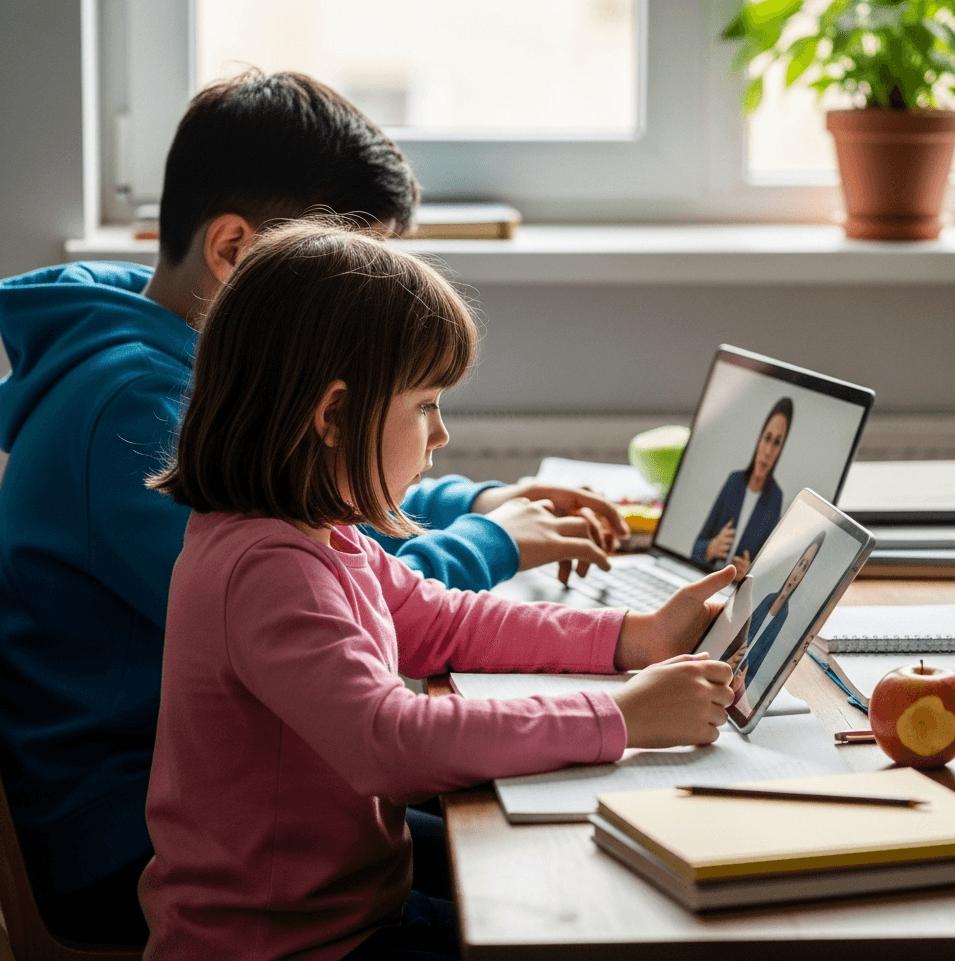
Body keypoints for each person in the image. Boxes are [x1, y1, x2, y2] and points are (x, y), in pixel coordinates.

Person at [0, 71, 626, 944]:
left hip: (250, 785)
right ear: (234, 252)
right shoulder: (131, 413)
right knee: (535, 859)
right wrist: (490, 542)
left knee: (528, 830)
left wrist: (471, 497)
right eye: (340, 281)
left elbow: (318, 502)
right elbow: (322, 584)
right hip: (143, 836)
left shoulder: (171, 352)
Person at [138, 219, 736, 960]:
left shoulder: (320, 531)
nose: (440, 434)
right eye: (425, 404)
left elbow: (438, 622)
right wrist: (622, 716)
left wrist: (628, 639)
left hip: (341, 906)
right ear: (333, 416)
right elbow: (389, 740)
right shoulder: (266, 569)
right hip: (288, 946)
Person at [691, 397, 794, 580]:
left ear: (781, 449)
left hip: (735, 595)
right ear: (759, 440)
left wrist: (750, 573)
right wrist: (710, 549)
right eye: (767, 438)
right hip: (706, 581)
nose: (768, 451)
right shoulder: (734, 481)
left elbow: (767, 573)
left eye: (777, 443)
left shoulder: (775, 498)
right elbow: (696, 548)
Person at [727, 531, 826, 705]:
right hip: (724, 673)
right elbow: (736, 637)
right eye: (800, 564)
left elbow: (760, 667)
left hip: (739, 691)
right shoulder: (766, 598)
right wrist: (731, 659)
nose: (798, 572)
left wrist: (742, 685)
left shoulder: (784, 617)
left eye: (805, 568)